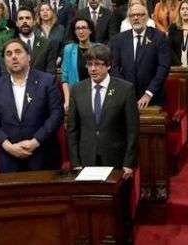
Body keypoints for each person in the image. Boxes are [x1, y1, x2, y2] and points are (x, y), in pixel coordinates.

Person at [0, 39, 63, 172]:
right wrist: (9, 146)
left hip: (43, 154)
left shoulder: (47, 81)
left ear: (28, 57)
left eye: (18, 52)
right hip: (9, 158)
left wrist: (35, 142)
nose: (13, 56)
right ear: (4, 60)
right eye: (8, 54)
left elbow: (56, 115)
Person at [65, 43, 137, 179]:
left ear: (108, 65)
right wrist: (75, 162)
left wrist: (129, 163)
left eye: (98, 64)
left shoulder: (125, 89)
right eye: (89, 64)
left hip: (115, 158)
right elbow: (72, 130)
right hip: (86, 158)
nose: (93, 69)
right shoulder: (76, 89)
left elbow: (132, 130)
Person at [109, 3, 169, 109]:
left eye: (140, 15)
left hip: (152, 98)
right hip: (125, 97)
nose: (136, 18)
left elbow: (163, 67)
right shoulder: (118, 39)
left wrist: (149, 93)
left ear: (146, 17)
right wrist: (125, 90)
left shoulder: (159, 37)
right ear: (129, 19)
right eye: (132, 15)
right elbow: (114, 68)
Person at [61, 17, 95, 111]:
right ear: (75, 32)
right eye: (78, 28)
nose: (81, 31)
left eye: (84, 27)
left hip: (95, 95)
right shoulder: (69, 49)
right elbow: (65, 78)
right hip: (75, 96)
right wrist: (67, 100)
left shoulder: (99, 48)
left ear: (90, 30)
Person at [16, 7, 57, 73]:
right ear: (17, 23)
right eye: (21, 19)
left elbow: (51, 72)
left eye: (27, 18)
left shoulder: (46, 44)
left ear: (34, 22)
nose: (24, 21)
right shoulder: (11, 45)